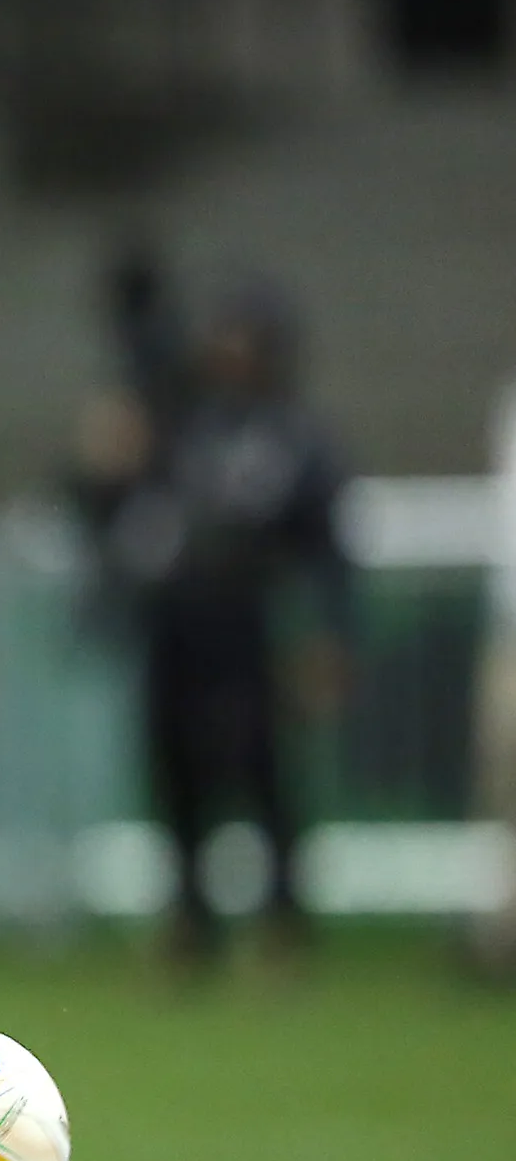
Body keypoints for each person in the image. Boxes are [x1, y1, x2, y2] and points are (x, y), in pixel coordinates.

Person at [80, 282, 351, 962]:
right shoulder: (184, 422)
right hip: (177, 619)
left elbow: (325, 547)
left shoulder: (295, 436)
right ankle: (190, 923)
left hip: (248, 620)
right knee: (176, 776)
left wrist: (327, 634)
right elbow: (116, 505)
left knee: (262, 778)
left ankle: (283, 924)